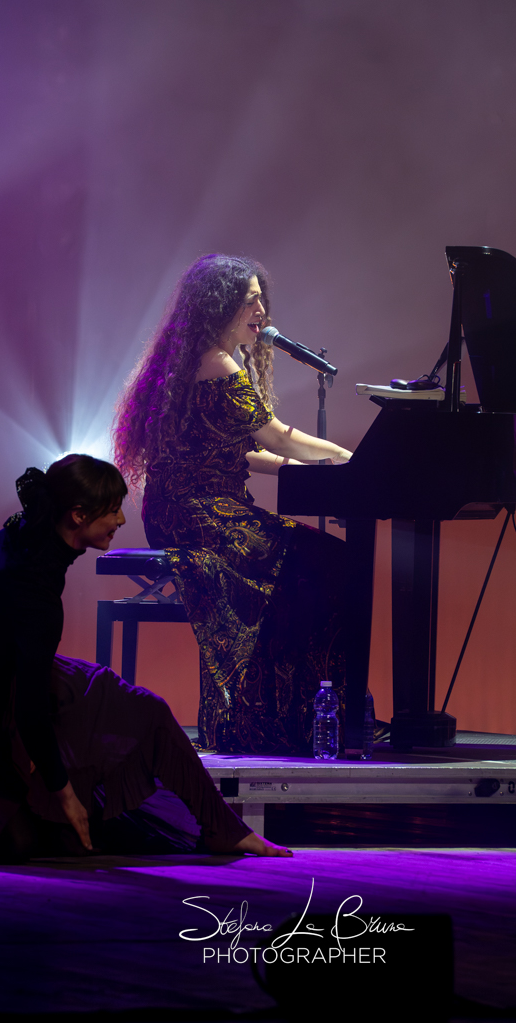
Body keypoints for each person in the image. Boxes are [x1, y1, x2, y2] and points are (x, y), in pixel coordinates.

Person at [0, 454, 291, 861]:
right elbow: (30, 710)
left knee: (146, 709)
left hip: (5, 665)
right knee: (13, 841)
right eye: (113, 510)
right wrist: (63, 792)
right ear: (78, 515)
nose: (121, 520)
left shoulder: (33, 534)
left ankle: (223, 828)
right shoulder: (32, 582)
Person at [113, 254, 353, 756]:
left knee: (314, 561)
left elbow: (244, 451)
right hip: (197, 512)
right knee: (324, 561)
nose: (262, 310)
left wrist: (308, 468)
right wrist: (345, 457)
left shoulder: (197, 359)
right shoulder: (217, 362)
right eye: (250, 300)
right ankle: (281, 715)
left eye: (262, 299)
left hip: (183, 509)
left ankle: (282, 714)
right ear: (218, 306)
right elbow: (277, 437)